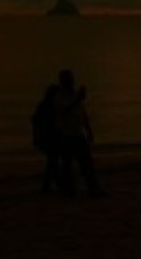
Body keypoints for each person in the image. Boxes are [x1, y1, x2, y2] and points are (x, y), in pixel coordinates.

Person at [54, 69, 102, 197]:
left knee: (87, 164)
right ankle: (69, 192)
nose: (71, 82)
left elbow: (83, 113)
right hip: (67, 136)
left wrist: (88, 129)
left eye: (71, 79)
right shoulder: (59, 97)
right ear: (63, 81)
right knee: (68, 167)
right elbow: (64, 112)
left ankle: (93, 190)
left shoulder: (74, 95)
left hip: (78, 135)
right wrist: (78, 99)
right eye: (69, 79)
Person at [31, 84, 60, 194]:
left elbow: (34, 120)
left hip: (49, 137)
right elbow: (35, 120)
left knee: (53, 162)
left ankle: (49, 186)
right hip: (48, 138)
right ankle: (47, 187)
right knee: (53, 162)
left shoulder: (48, 104)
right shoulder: (47, 105)